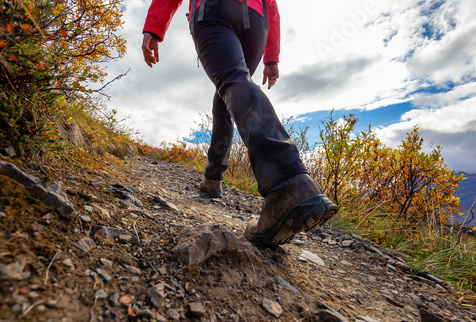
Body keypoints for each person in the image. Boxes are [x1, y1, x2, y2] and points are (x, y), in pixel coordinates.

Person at [142, 0, 338, 248]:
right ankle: (214, 177)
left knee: (232, 81)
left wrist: (154, 27)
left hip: (214, 9)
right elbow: (272, 7)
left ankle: (287, 181)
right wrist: (271, 57)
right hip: (256, 21)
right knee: (229, 90)